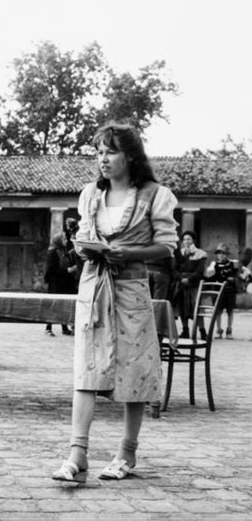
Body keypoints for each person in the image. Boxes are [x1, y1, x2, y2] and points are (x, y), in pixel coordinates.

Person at [52, 122, 178, 484]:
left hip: (131, 289)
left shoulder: (155, 195)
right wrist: (86, 247)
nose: (102, 159)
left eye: (110, 151)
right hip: (94, 287)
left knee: (134, 370)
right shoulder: (90, 194)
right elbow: (85, 237)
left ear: (131, 156)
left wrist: (130, 253)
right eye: (98, 152)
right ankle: (77, 453)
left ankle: (127, 452)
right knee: (87, 368)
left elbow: (166, 246)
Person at [205, 243, 251, 340]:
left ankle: (229, 330)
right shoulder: (214, 265)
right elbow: (209, 277)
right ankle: (219, 330)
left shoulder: (232, 264)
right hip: (218, 290)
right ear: (217, 255)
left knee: (230, 311)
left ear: (227, 254)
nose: (221, 255)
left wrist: (239, 278)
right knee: (218, 311)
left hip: (230, 290)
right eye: (219, 253)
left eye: (224, 253)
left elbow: (244, 272)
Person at [43, 218, 81, 336]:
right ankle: (48, 328)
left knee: (63, 305)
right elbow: (50, 270)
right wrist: (67, 270)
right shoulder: (52, 252)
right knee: (53, 305)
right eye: (64, 238)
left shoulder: (64, 251)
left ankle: (64, 328)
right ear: (59, 240)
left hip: (64, 282)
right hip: (55, 283)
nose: (66, 240)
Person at [172, 231, 207, 338]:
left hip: (194, 285)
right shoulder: (179, 254)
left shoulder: (200, 254)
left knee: (196, 306)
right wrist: (180, 278)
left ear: (194, 241)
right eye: (184, 239)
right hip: (181, 284)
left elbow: (200, 271)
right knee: (182, 306)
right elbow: (174, 269)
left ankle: (202, 331)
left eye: (189, 239)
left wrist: (189, 279)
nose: (186, 242)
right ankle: (185, 330)